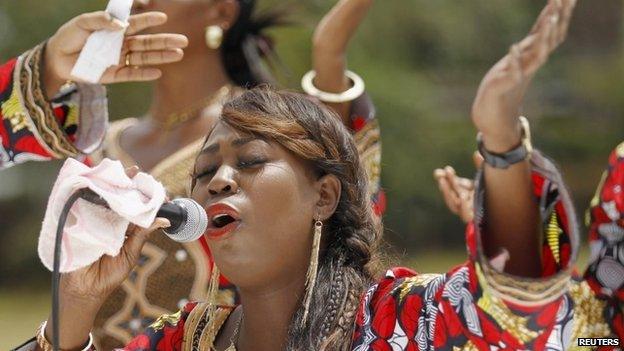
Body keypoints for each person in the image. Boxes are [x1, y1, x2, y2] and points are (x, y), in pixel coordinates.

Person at [21, 1, 624, 350]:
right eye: (202, 175)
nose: (217, 182)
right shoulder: (184, 340)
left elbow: (518, 317)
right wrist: (75, 307)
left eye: (250, 162)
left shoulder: (398, 319)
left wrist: (502, 150)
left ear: (325, 195)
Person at [88, 0, 384, 348]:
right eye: (206, 170)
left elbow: (340, 169)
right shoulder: (96, 146)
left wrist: (329, 50)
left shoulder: (269, 127)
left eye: (249, 161)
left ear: (222, 11)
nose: (138, 2)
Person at [0, 11, 188, 171]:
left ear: (218, 10)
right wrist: (51, 68)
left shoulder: (216, 132)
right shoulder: (108, 144)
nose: (142, 1)